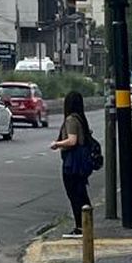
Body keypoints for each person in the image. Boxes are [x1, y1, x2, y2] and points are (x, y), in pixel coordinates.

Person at [50, 89, 93, 237]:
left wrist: (57, 144)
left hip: (72, 163)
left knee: (74, 194)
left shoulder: (71, 120)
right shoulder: (81, 119)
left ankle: (80, 228)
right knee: (81, 193)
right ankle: (86, 225)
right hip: (81, 162)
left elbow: (72, 140)